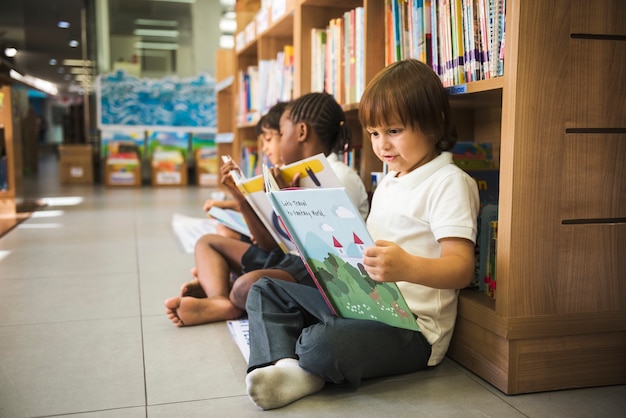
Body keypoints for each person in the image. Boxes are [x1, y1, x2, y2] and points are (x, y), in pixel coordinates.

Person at [244, 58, 480, 410]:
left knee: (323, 342)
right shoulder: (389, 179)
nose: (382, 145)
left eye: (394, 131)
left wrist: (406, 267)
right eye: (373, 133)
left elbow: (462, 269)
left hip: (412, 330)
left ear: (434, 123)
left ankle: (301, 364)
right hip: (364, 305)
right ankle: (285, 366)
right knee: (264, 289)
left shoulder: (449, 182)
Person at [164, 93, 369, 326]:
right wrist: (241, 197)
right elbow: (269, 245)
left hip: (318, 272)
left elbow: (329, 252)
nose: (278, 143)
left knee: (245, 286)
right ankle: (219, 299)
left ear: (301, 132)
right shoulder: (290, 173)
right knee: (207, 243)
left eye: (281, 134)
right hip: (287, 259)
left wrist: (288, 201)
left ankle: (229, 296)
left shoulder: (339, 177)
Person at [203, 104, 288, 240]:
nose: (265, 149)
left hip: (274, 241)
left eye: (268, 140)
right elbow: (261, 205)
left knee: (217, 237)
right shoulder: (275, 170)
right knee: (220, 230)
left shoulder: (285, 173)